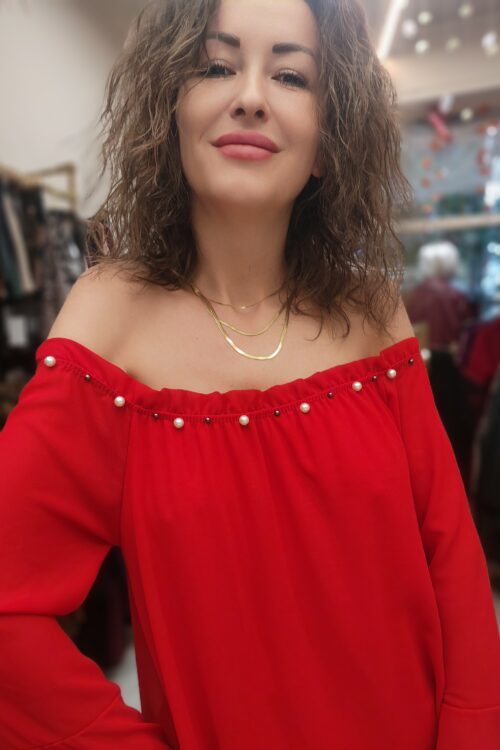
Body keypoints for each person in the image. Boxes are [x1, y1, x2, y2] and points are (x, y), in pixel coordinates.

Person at [1, 0, 499, 748]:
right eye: (216, 65)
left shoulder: (371, 310)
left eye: (292, 76)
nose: (251, 96)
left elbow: (451, 555)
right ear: (170, 110)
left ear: (328, 140)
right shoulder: (109, 317)